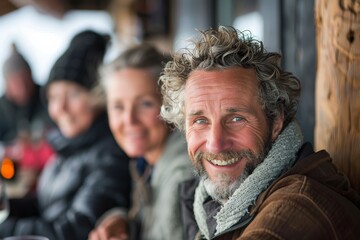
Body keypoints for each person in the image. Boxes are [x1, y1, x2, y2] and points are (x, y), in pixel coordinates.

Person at [159, 26, 360, 240]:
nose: (215, 144)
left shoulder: (299, 208)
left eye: (237, 119)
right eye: (200, 121)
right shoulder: (205, 205)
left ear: (276, 122)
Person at [0, 30, 132, 240]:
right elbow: (45, 204)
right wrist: (7, 207)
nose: (60, 108)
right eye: (53, 96)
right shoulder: (68, 145)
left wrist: (4, 229)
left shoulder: (110, 157)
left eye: (72, 94)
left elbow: (73, 231)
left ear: (98, 98)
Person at [88, 44, 194, 240]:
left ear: (171, 105)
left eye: (145, 104)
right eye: (118, 106)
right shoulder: (149, 161)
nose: (129, 120)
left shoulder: (182, 177)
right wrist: (124, 223)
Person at [0, 43, 52, 145]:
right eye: (16, 82)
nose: (22, 87)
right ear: (7, 84)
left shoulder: (46, 96)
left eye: (25, 79)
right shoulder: (1, 108)